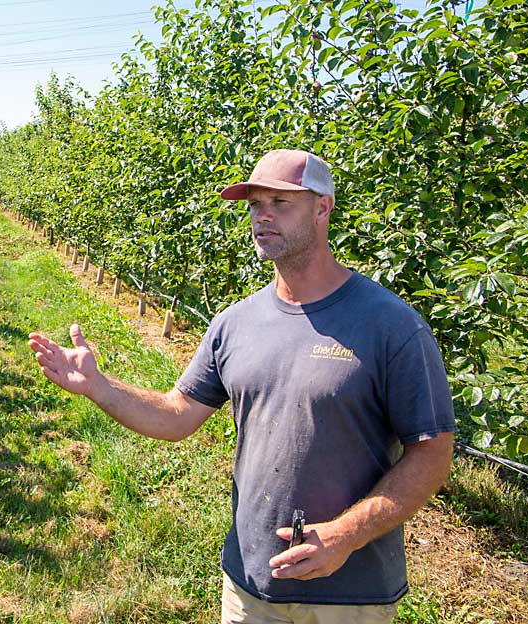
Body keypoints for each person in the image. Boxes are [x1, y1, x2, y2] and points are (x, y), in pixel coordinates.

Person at [27, 149, 457, 624]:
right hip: (250, 584)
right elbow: (177, 414)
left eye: (280, 201)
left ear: (322, 208)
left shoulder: (391, 326)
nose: (262, 215)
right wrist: (98, 387)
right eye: (255, 204)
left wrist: (343, 536)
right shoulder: (236, 323)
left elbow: (432, 452)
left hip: (349, 594)